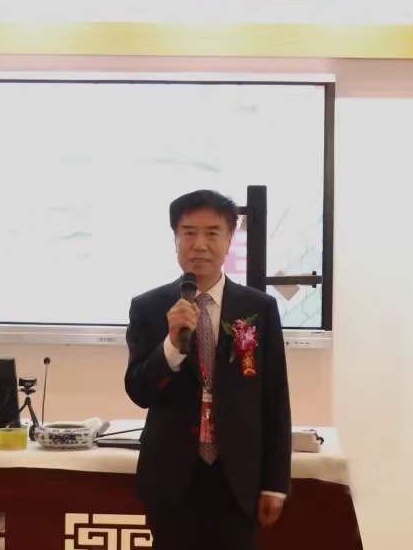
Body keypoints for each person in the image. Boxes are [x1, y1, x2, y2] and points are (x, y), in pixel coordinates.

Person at [124, 189, 292, 550]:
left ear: (229, 240)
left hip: (238, 478)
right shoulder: (149, 307)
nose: (199, 244)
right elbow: (139, 390)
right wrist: (171, 344)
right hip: (172, 478)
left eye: (212, 233)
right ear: (175, 239)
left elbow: (275, 398)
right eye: (189, 232)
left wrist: (275, 484)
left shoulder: (258, 308)